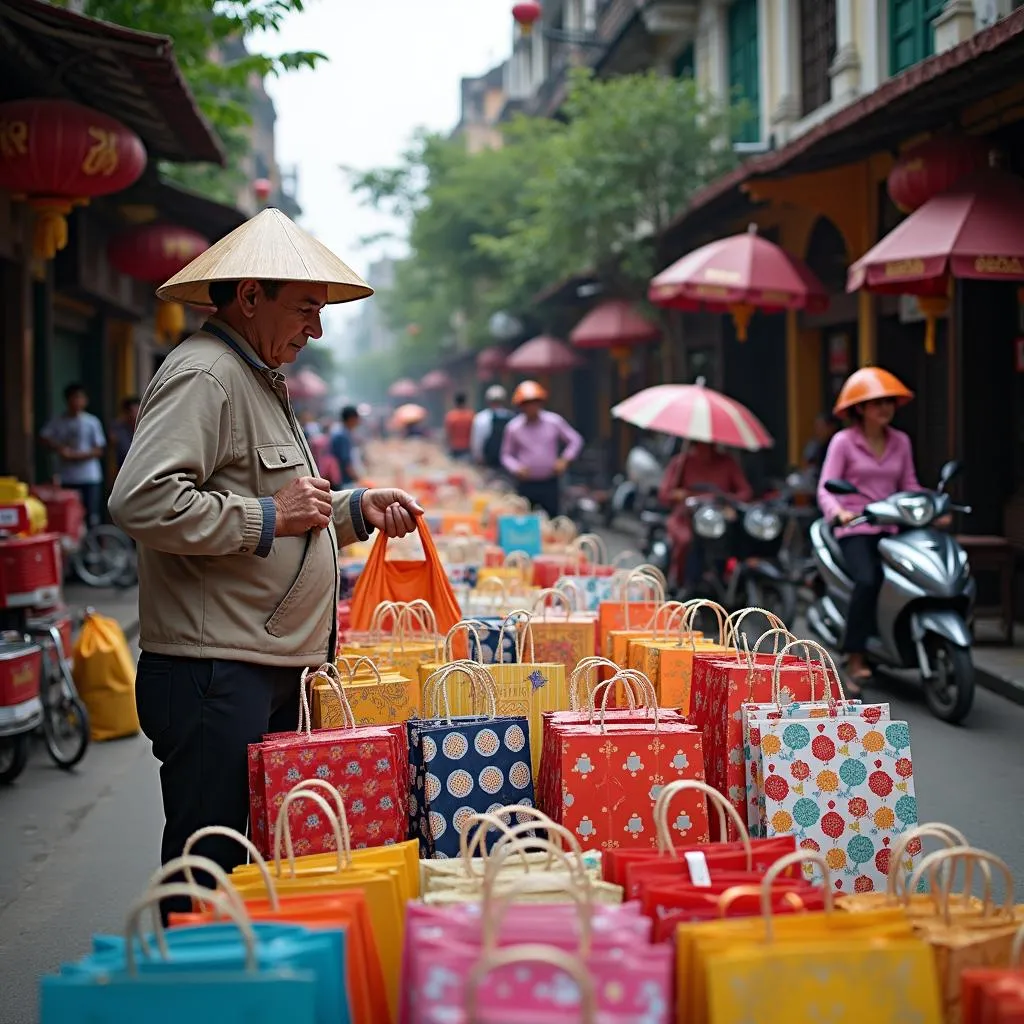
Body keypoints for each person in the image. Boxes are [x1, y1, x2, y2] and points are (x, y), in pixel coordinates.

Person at [107, 207, 423, 921]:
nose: (315, 329)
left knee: (243, 867)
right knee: (207, 867)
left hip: (256, 661)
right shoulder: (207, 376)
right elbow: (142, 500)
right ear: (251, 297)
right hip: (216, 671)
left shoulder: (255, 377)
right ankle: (194, 985)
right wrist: (268, 515)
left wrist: (354, 510)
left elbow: (288, 507)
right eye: (306, 308)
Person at [817, 366, 937, 693]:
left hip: (894, 528)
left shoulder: (901, 441)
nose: (884, 408)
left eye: (889, 402)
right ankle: (855, 654)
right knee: (869, 580)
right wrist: (838, 512)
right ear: (860, 408)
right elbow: (825, 488)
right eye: (876, 403)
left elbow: (909, 484)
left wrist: (934, 505)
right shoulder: (843, 442)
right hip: (856, 527)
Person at [657, 440, 753, 594]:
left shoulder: (727, 463)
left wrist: (727, 500)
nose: (706, 449)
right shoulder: (681, 462)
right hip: (685, 519)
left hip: (718, 520)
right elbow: (664, 494)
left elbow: (745, 492)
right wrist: (677, 495)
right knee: (685, 540)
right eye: (702, 444)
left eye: (710, 445)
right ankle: (680, 582)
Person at [500, 380, 583, 518]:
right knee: (524, 520)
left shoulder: (554, 422)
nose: (532, 407)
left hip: (549, 481)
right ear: (521, 406)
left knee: (553, 519)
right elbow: (506, 455)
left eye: (534, 402)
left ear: (540, 403)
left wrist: (565, 459)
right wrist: (516, 468)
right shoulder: (513, 428)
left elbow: (575, 440)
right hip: (526, 483)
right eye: (527, 404)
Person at [40, 383, 107, 526]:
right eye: (74, 398)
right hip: (67, 476)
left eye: (80, 398)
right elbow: (44, 438)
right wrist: (59, 448)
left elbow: (99, 449)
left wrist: (76, 456)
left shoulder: (91, 422)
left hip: (89, 476)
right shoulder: (58, 421)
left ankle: (92, 543)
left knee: (90, 513)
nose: (77, 401)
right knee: (69, 513)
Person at [471, 384, 514, 471]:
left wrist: (479, 458)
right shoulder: (512, 417)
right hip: (509, 465)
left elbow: (477, 442)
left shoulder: (481, 418)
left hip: (489, 463)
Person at [330, 405, 362, 486]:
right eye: (357, 418)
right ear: (351, 419)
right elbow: (345, 461)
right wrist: (357, 478)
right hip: (343, 480)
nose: (359, 421)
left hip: (340, 478)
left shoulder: (339, 431)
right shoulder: (342, 436)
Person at [802, 412, 839, 478]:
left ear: (831, 427)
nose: (818, 430)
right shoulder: (815, 445)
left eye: (821, 427)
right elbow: (807, 466)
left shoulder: (839, 443)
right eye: (817, 427)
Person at [111, 395, 141, 471]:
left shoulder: (145, 425)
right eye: (131, 411)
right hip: (124, 468)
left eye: (137, 409)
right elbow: (124, 450)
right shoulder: (118, 427)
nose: (134, 414)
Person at [444, 392, 475, 460]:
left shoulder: (451, 416)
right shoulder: (471, 416)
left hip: (455, 448)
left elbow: (448, 434)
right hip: (467, 448)